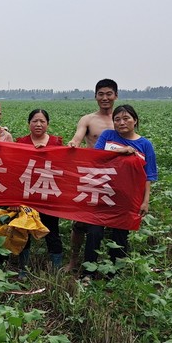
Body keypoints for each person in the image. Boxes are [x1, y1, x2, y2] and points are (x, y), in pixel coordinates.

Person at [84, 104, 157, 275]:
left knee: (120, 234)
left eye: (126, 118)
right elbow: (96, 157)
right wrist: (121, 151)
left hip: (127, 198)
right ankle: (88, 272)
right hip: (102, 192)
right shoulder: (108, 135)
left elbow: (149, 175)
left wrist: (145, 201)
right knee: (94, 232)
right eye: (117, 119)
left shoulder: (145, 144)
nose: (121, 122)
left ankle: (114, 273)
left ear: (135, 120)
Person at [64, 79, 118, 273]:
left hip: (116, 177)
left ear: (116, 96)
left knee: (114, 222)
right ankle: (73, 261)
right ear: (95, 96)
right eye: (101, 94)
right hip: (92, 175)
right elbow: (77, 138)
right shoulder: (87, 119)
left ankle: (109, 262)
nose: (105, 98)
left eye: (109, 94)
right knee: (80, 222)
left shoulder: (121, 120)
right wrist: (73, 144)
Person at [15, 109, 64, 272]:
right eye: (35, 121)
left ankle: (56, 270)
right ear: (28, 124)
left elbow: (63, 167)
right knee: (23, 231)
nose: (38, 124)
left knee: (52, 232)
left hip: (48, 194)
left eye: (42, 121)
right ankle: (23, 269)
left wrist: (48, 153)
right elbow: (14, 169)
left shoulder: (56, 143)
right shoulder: (21, 142)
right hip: (26, 194)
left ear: (48, 124)